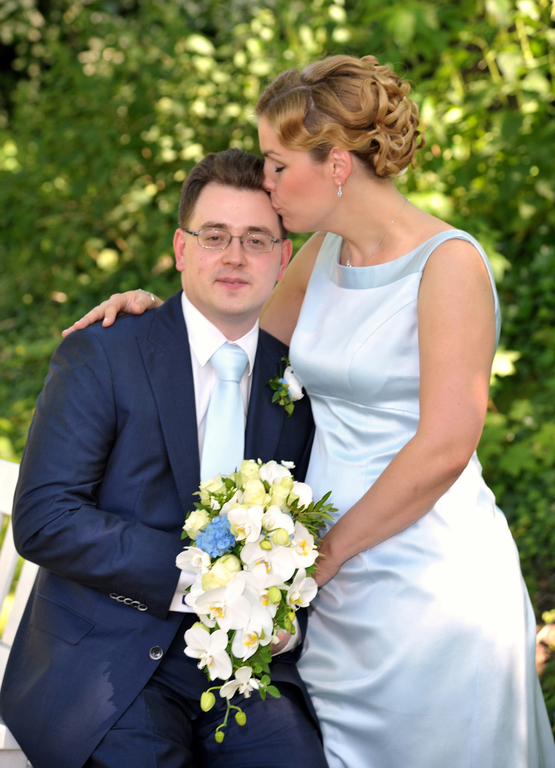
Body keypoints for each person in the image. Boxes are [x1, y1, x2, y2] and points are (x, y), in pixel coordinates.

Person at [59, 56, 555, 768]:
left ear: (337, 166)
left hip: (425, 576)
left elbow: (446, 445)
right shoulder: (322, 254)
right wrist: (149, 316)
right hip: (324, 580)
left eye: (276, 164)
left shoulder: (449, 265)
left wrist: (322, 559)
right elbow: (235, 334)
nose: (265, 182)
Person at [0, 149, 329, 768]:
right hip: (106, 661)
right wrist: (200, 578)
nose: (235, 256)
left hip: (245, 667)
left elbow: (307, 530)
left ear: (283, 258)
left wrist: (286, 617)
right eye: (215, 236)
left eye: (256, 239)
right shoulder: (106, 353)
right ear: (181, 249)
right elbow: (45, 518)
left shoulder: (299, 384)